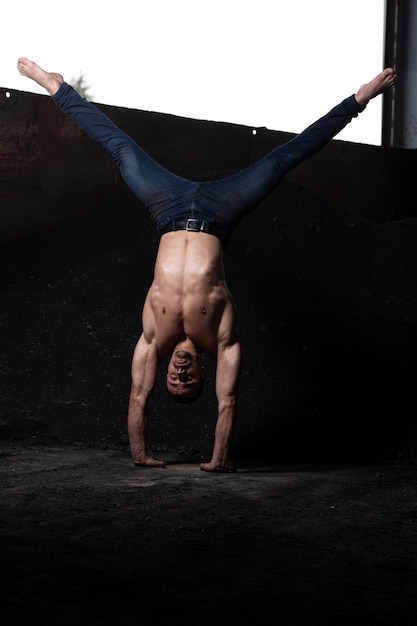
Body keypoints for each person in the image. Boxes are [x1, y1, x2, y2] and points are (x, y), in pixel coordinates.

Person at [17, 57, 396, 472]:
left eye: (175, 382)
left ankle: (57, 88)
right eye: (189, 382)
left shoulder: (151, 341)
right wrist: (218, 461)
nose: (180, 376)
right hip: (220, 212)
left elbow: (137, 398)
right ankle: (358, 99)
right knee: (280, 161)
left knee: (121, 150)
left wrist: (140, 454)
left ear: (166, 376)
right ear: (202, 373)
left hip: (166, 207)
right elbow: (228, 401)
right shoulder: (223, 340)